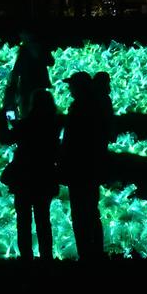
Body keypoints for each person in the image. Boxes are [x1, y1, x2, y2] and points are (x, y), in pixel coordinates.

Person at [0, 89, 60, 261]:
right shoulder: (54, 124)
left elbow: (8, 137)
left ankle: (26, 258)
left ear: (33, 104)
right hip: (45, 175)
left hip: (24, 176)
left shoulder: (26, 125)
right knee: (43, 220)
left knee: (23, 220)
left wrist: (3, 117)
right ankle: (47, 257)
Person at [59, 71, 110, 263]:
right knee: (91, 211)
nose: (69, 88)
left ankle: (86, 255)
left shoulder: (81, 109)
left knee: (81, 213)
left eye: (72, 85)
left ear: (79, 88)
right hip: (92, 167)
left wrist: (64, 159)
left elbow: (73, 140)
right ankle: (95, 252)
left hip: (79, 168)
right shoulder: (96, 107)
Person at [4, 30, 54, 119]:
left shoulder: (40, 48)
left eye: (23, 34)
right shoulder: (24, 49)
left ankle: (33, 124)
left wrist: (39, 56)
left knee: (37, 105)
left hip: (37, 83)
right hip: (27, 84)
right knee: (25, 106)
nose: (21, 36)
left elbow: (50, 61)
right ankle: (27, 123)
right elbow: (18, 66)